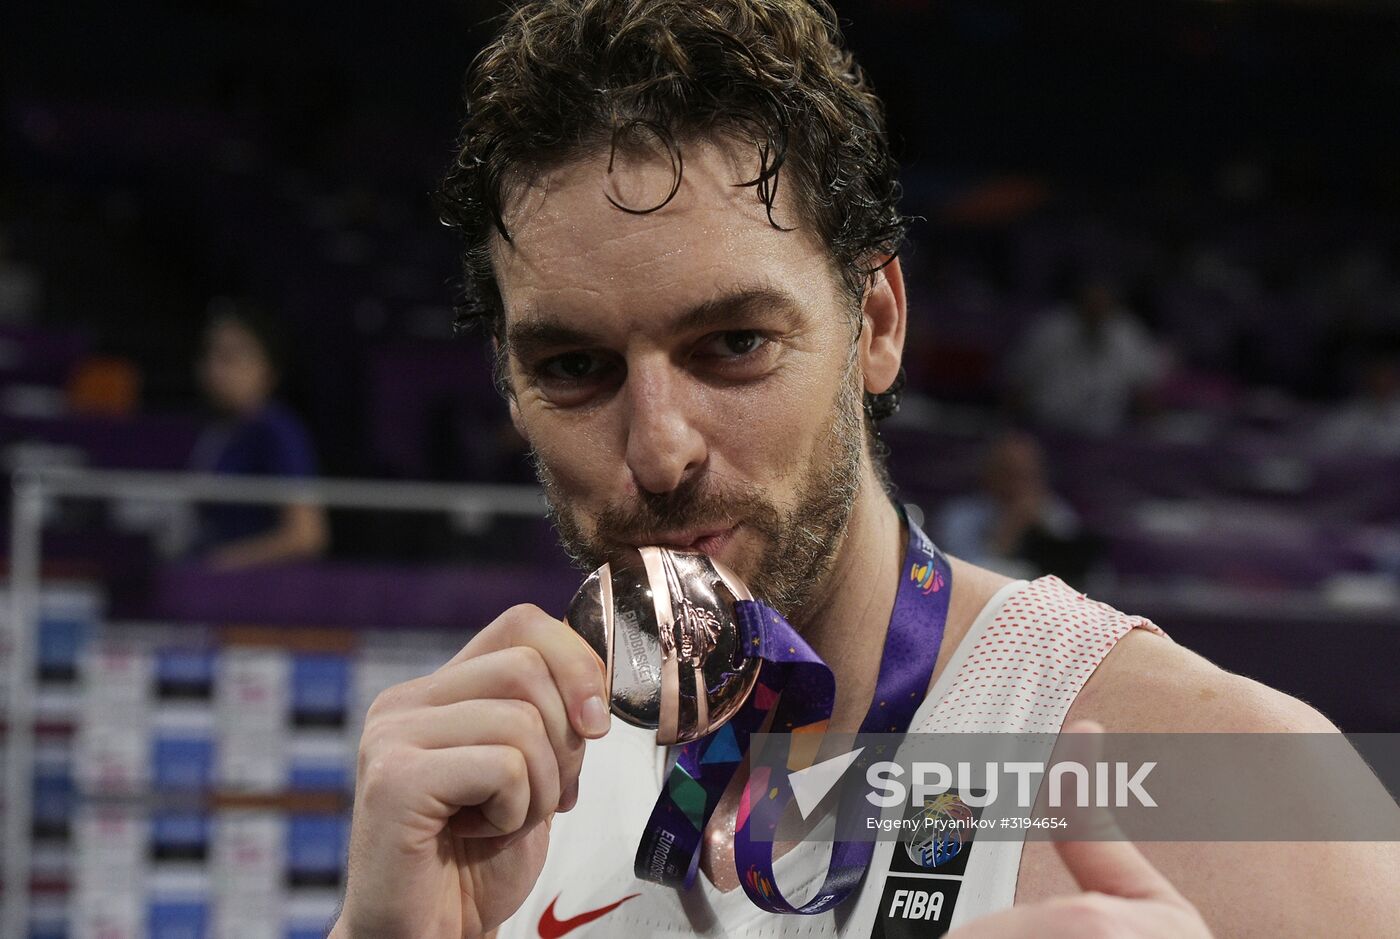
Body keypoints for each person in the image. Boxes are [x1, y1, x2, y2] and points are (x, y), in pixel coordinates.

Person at [330, 3, 1398, 937]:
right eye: (573, 367)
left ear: (875, 324)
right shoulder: (507, 798)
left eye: (733, 345)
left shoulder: (1227, 781)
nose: (658, 450)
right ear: (512, 391)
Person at [190, 300, 329, 568]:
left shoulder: (277, 430)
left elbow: (307, 535)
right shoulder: (215, 429)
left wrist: (220, 563)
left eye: (230, 357)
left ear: (267, 370)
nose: (214, 368)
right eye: (210, 354)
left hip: (258, 593)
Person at [1003, 273, 1165, 436]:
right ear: (1079, 302)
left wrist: (1156, 428)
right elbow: (1018, 383)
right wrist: (1009, 427)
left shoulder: (1127, 334)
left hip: (1104, 434)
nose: (1096, 309)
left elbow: (1144, 392)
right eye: (1091, 303)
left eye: (1103, 304)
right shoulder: (1049, 330)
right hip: (1048, 429)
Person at [935, 431, 1097, 586]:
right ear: (989, 473)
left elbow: (1080, 576)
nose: (1018, 483)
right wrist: (1009, 530)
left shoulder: (1054, 513)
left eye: (1028, 474)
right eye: (1010, 473)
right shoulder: (961, 515)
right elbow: (961, 579)